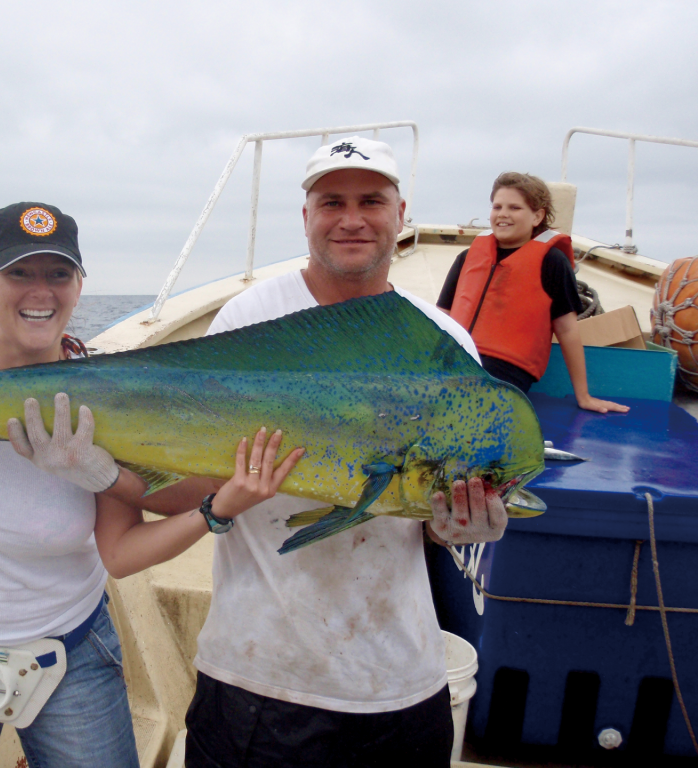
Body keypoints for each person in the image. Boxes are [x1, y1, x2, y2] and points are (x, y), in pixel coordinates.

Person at [0, 202, 304, 768]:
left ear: (78, 288)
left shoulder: (105, 394)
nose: (39, 291)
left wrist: (208, 509)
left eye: (57, 274)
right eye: (19, 273)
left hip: (70, 655)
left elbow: (120, 555)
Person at [175, 137, 508, 767]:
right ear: (306, 217)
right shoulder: (249, 317)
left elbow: (434, 514)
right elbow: (194, 472)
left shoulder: (442, 339)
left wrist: (457, 525)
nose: (352, 218)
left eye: (371, 200)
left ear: (400, 214)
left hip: (401, 682)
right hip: (258, 675)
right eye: (332, 201)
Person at [436, 171, 629, 414]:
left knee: (459, 410)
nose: (503, 214)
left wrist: (584, 396)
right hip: (454, 359)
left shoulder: (552, 262)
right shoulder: (467, 258)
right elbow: (440, 315)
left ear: (537, 216)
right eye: (497, 206)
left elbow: (568, 330)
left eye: (515, 208)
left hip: (504, 370)